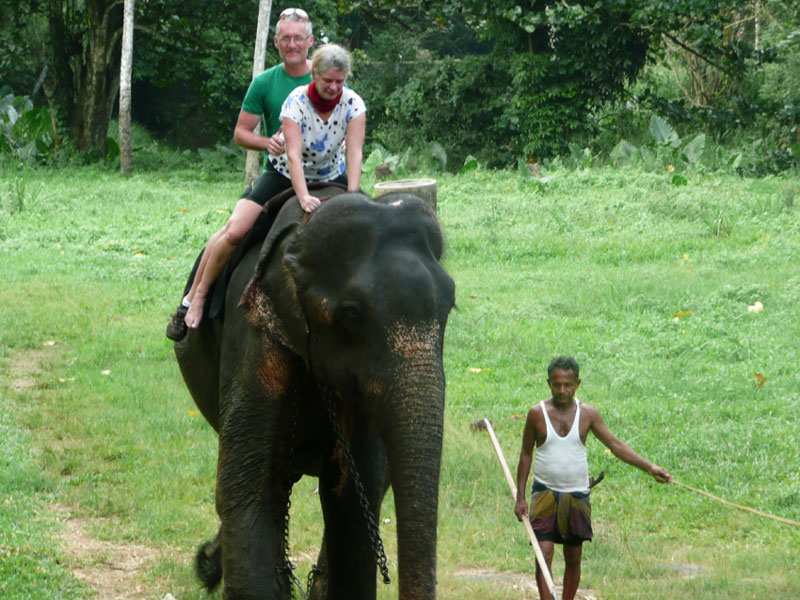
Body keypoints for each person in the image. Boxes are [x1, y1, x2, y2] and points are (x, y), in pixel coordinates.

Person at [165, 15, 365, 339]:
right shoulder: (270, 85)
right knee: (234, 230)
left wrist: (354, 193)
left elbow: (355, 151)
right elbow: (244, 135)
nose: (292, 44)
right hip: (283, 173)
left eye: (299, 38)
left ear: (310, 43)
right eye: (285, 38)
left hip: (330, 173)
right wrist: (267, 143)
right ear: (276, 43)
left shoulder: (345, 93)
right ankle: (194, 298)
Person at [514, 355, 671, 600]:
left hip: (577, 495)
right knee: (542, 555)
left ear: (578, 383)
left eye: (568, 384)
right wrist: (520, 497)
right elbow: (525, 455)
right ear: (548, 383)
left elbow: (615, 444)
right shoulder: (537, 413)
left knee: (573, 558)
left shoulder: (587, 414)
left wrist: (649, 467)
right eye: (557, 384)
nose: (562, 390)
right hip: (544, 493)